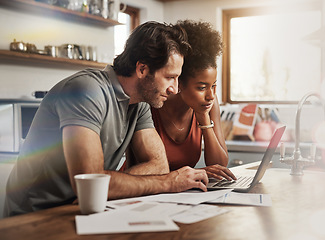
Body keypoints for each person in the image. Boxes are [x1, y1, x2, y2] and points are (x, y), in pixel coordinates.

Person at [4, 21, 209, 217]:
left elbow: (158, 166)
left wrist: (108, 185)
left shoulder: (140, 103)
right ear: (142, 69)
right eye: (170, 77)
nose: (174, 89)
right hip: (36, 216)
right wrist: (168, 182)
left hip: (85, 207)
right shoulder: (86, 91)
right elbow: (91, 182)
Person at [124, 19, 236, 181]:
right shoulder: (151, 102)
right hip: (140, 188)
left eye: (214, 86)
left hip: (180, 192)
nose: (211, 95)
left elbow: (220, 166)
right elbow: (138, 167)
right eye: (201, 87)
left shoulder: (209, 105)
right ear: (179, 82)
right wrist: (195, 173)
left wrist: (204, 119)